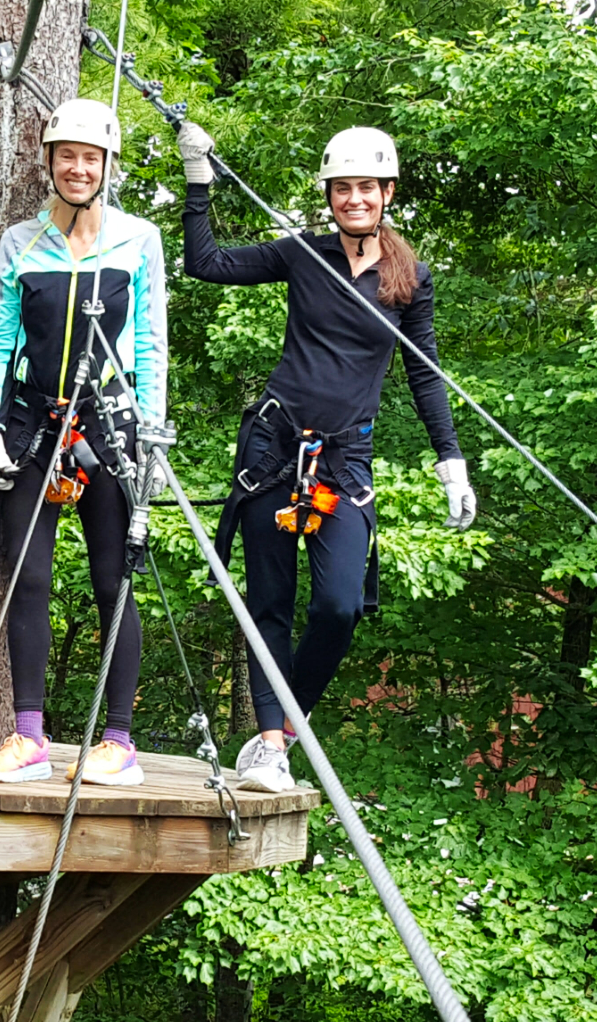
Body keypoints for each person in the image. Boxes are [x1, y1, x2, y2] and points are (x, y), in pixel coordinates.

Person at [175, 122, 477, 792]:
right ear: (331, 194)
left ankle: (283, 730)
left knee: (338, 606)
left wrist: (449, 461)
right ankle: (267, 746)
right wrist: (199, 182)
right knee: (270, 604)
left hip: (344, 462)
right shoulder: (302, 257)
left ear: (387, 192)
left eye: (366, 187)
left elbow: (425, 373)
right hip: (275, 447)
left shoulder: (409, 280)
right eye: (343, 188)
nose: (354, 198)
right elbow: (206, 263)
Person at [0, 98, 169, 787]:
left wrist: (152, 435)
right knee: (27, 574)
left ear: (108, 167)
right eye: (68, 157)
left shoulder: (138, 239)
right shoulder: (19, 242)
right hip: (33, 421)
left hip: (110, 425)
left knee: (114, 578)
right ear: (49, 162)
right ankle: (29, 737)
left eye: (92, 158)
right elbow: (3, 339)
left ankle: (118, 740)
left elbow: (149, 341)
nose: (79, 168)